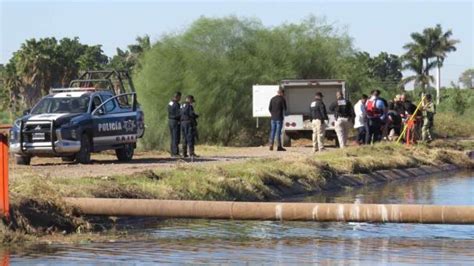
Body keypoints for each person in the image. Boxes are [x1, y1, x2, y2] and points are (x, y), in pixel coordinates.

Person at [168, 92, 182, 157]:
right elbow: (178, 113)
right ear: (177, 96)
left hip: (170, 121)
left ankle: (172, 152)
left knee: (172, 137)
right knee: (176, 137)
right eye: (180, 97)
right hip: (175, 121)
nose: (180, 98)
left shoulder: (170, 103)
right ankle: (175, 153)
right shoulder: (177, 104)